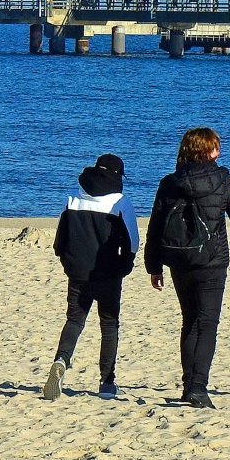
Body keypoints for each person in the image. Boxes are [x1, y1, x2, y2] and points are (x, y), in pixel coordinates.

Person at [144, 128, 230, 409]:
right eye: (216, 148)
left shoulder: (170, 183)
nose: (219, 153)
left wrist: (153, 265)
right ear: (209, 152)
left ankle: (189, 385)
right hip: (212, 261)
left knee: (190, 321)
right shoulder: (222, 180)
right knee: (207, 323)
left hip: (179, 260)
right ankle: (198, 387)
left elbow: (155, 227)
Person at [43, 154, 139, 401]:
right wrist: (124, 268)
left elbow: (59, 241)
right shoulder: (120, 203)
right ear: (118, 176)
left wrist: (68, 264)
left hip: (77, 272)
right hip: (108, 274)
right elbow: (132, 244)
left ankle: (61, 361)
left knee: (74, 320)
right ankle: (107, 382)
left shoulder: (74, 198)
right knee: (109, 325)